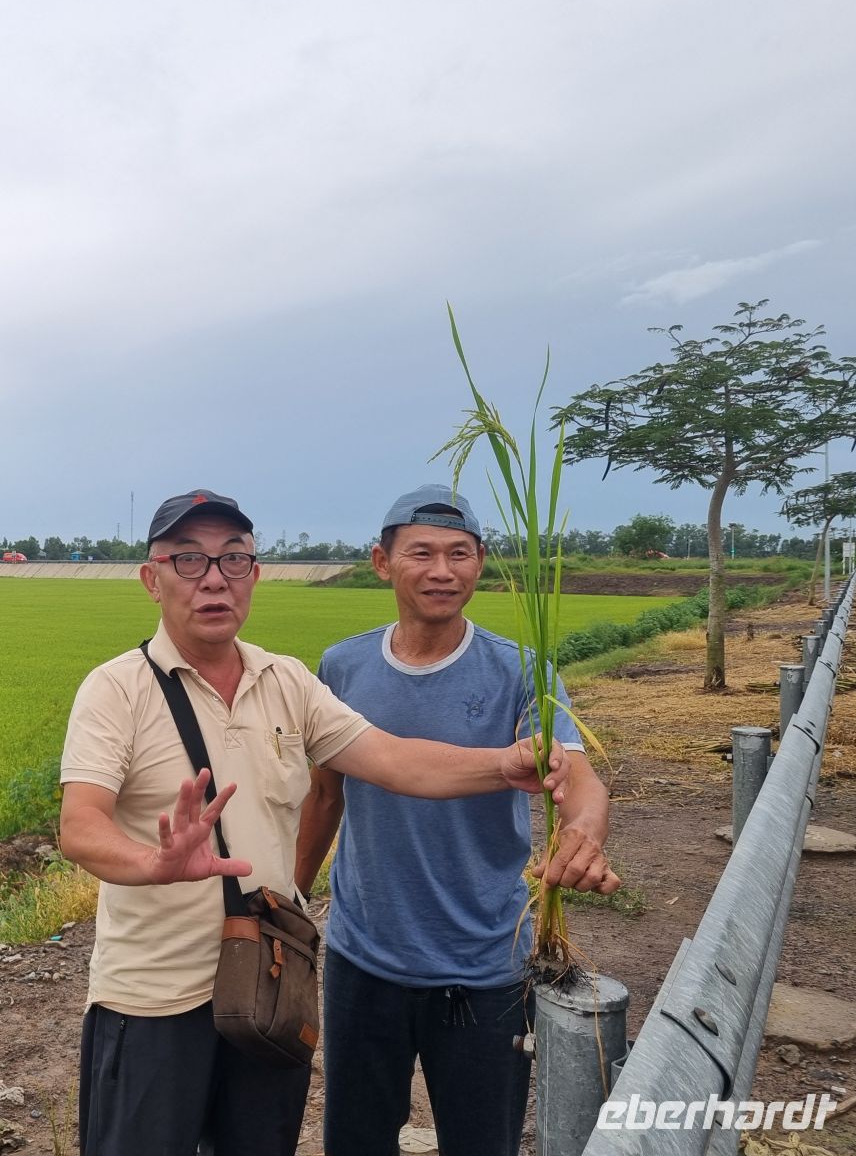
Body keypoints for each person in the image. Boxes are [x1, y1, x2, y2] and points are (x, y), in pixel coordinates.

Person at [59, 488, 576, 1156]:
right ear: (151, 579)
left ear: (254, 575)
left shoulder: (287, 681)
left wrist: (502, 764)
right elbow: (80, 825)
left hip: (269, 988)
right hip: (155, 997)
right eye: (188, 559)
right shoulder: (115, 690)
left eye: (233, 559)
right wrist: (152, 864)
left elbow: (392, 759)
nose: (214, 579)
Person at [294, 484, 621, 1156]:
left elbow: (576, 775)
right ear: (382, 562)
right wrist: (292, 903)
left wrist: (583, 831)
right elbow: (324, 797)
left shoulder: (520, 671)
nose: (442, 571)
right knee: (355, 1139)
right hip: (363, 957)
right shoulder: (342, 666)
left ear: (480, 563)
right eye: (421, 553)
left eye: (459, 553)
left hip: (485, 963)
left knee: (481, 1141)